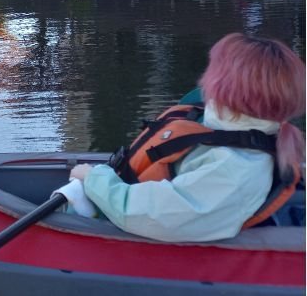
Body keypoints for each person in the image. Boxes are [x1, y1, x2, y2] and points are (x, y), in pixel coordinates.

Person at [58, 34, 305, 242]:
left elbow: (157, 216)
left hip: (144, 237)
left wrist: (93, 179)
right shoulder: (221, 126)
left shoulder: (236, 169)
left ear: (227, 85)